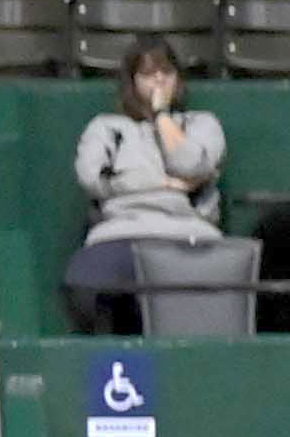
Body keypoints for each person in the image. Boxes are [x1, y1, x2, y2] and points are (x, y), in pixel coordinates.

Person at [62, 37, 225, 333]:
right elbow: (92, 177)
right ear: (133, 81)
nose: (159, 81)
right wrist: (164, 183)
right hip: (120, 233)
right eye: (149, 74)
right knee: (85, 282)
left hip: (187, 233)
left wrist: (162, 116)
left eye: (167, 73)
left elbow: (192, 165)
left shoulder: (201, 124)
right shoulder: (107, 128)